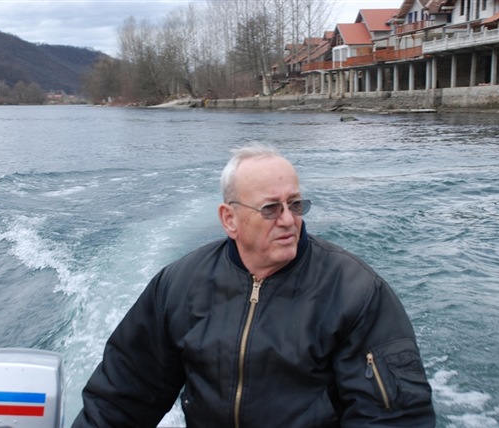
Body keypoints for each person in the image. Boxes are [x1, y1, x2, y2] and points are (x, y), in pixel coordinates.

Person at [73, 144, 435, 428]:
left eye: (295, 204)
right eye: (270, 209)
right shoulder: (178, 287)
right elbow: (123, 397)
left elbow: (393, 417)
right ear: (229, 219)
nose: (288, 220)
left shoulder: (356, 293)